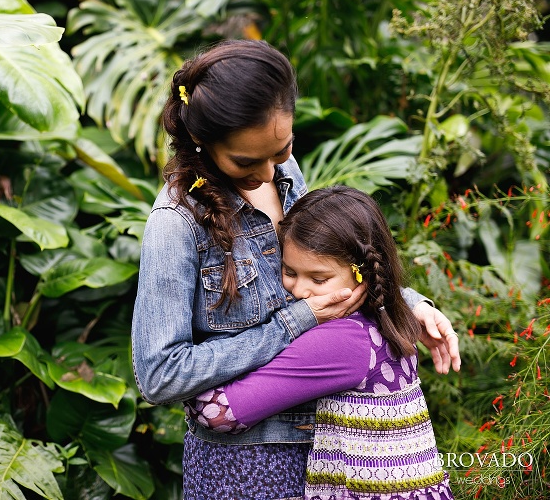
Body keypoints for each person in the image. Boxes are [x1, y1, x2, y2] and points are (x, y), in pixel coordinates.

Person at [131, 39, 460, 499]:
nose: (268, 173)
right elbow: (160, 374)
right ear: (202, 142)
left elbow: (327, 265)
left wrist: (408, 304)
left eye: (281, 150)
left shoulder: (285, 174)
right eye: (245, 161)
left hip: (333, 449)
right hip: (245, 470)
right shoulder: (177, 224)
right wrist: (294, 323)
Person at [186, 185, 454, 499]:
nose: (299, 291)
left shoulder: (341, 342)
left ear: (362, 274)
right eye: (289, 271)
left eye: (318, 279)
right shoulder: (391, 319)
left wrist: (187, 371)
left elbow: (219, 413)